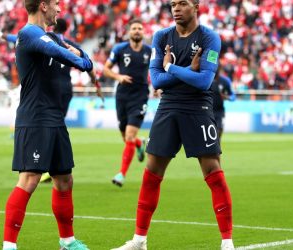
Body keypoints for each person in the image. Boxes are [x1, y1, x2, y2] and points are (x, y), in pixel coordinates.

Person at [111, 0, 234, 250]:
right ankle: (139, 240)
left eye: (183, 3)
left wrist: (170, 67)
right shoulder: (161, 36)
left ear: (196, 6)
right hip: (167, 107)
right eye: (173, 4)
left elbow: (203, 81)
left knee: (213, 172)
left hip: (198, 107)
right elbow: (156, 80)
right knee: (151, 173)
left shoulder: (210, 38)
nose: (176, 8)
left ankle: (227, 242)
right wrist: (186, 70)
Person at [2, 0, 93, 249]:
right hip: (34, 118)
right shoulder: (29, 33)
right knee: (30, 179)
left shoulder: (51, 36)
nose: (60, 9)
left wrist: (83, 58)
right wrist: (83, 62)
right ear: (43, 6)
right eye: (56, 4)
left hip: (54, 118)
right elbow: (65, 54)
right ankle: (8, 245)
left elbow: (80, 52)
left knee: (64, 179)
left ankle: (67, 241)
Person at [0, 18, 103, 183]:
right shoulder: (60, 41)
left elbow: (17, 39)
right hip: (62, 93)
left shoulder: (47, 40)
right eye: (56, 4)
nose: (59, 9)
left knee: (59, 176)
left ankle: (47, 163)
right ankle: (48, 164)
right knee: (41, 176)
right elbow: (84, 60)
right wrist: (94, 81)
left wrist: (3, 36)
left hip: (46, 98)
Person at [103, 18, 151, 187]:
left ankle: (121, 174)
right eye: (134, 28)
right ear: (129, 32)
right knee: (126, 138)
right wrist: (118, 77)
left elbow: (159, 68)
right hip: (122, 96)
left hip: (140, 96)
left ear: (143, 32)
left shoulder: (150, 51)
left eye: (140, 28)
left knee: (130, 135)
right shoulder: (119, 49)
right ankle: (140, 143)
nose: (137, 31)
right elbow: (105, 69)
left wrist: (159, 86)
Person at [211, 66, 235, 142]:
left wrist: (227, 97)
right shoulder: (207, 79)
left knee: (219, 128)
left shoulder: (224, 81)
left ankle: (217, 143)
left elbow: (233, 96)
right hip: (207, 109)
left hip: (219, 110)